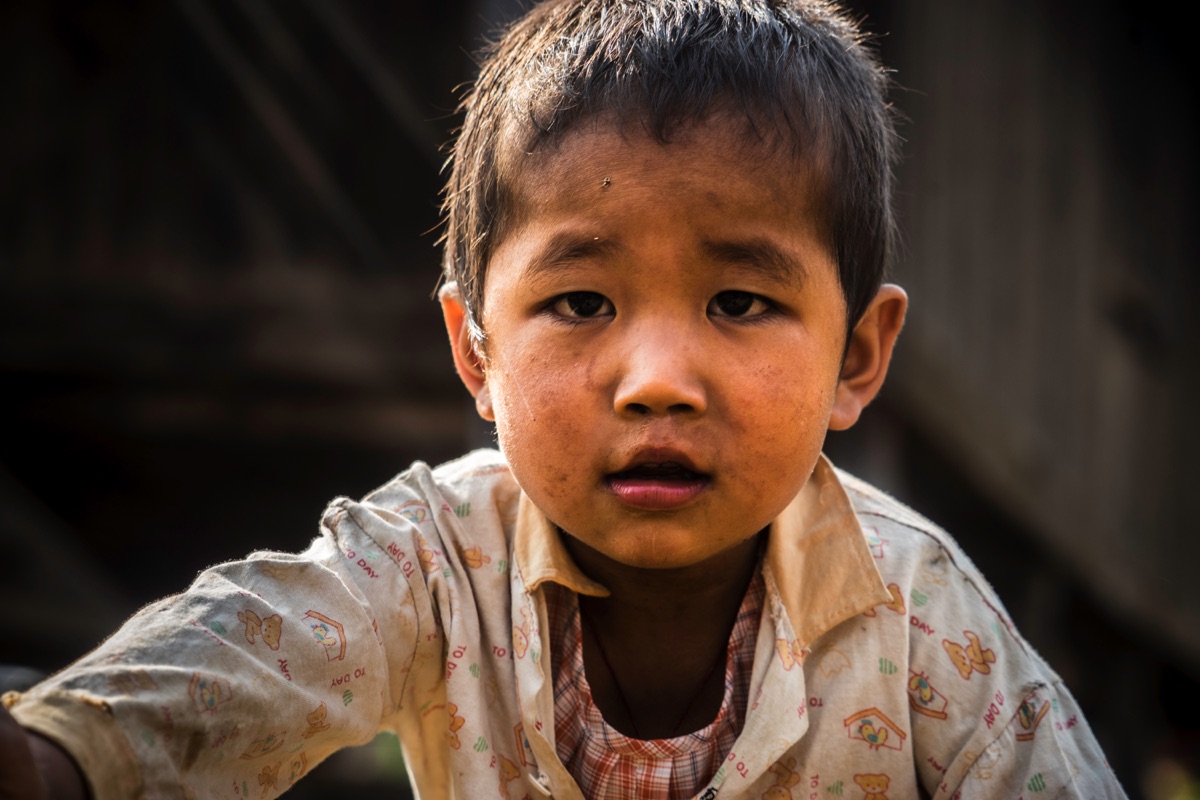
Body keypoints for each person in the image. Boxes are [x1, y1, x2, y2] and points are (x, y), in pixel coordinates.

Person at [1, 1, 1127, 798]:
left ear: (858, 357)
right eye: (582, 300)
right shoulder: (432, 560)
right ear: (476, 350)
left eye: (739, 301)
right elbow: (244, 658)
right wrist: (55, 758)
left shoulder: (920, 612)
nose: (655, 381)